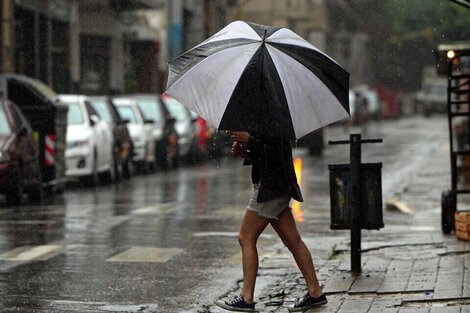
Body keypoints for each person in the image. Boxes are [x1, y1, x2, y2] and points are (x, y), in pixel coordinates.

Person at [214, 131, 327, 312]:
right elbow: (266, 154)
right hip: (275, 186)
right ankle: (315, 292)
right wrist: (246, 151)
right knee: (293, 241)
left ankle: (246, 297)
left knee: (246, 238)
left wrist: (250, 140)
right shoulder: (265, 116)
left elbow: (277, 154)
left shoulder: (274, 117)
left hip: (271, 188)